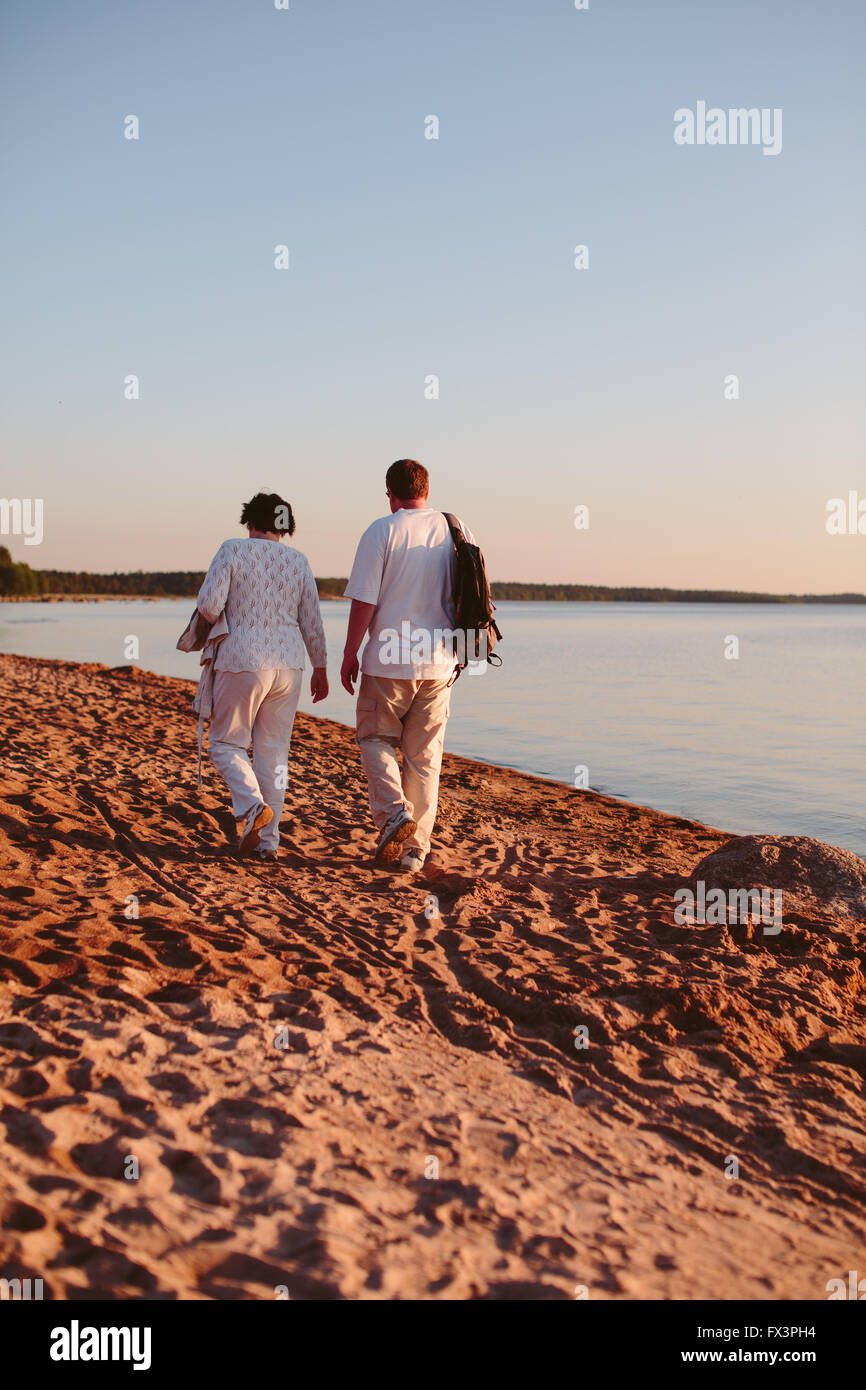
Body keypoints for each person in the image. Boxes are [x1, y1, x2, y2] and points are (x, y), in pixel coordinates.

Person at [341, 459, 476, 870]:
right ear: (427, 490)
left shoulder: (382, 530)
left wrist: (349, 653)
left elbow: (364, 599)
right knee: (424, 757)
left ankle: (394, 814)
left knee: (376, 739)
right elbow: (471, 594)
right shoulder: (456, 529)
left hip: (388, 659)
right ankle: (415, 850)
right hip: (440, 661)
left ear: (390, 494)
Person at [196, 491, 328, 860]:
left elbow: (208, 605)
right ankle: (268, 843)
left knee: (225, 745)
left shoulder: (233, 549)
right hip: (289, 666)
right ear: (286, 526)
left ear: (250, 521)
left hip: (243, 660)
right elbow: (312, 622)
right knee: (273, 755)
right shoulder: (298, 561)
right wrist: (321, 667)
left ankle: (252, 806)